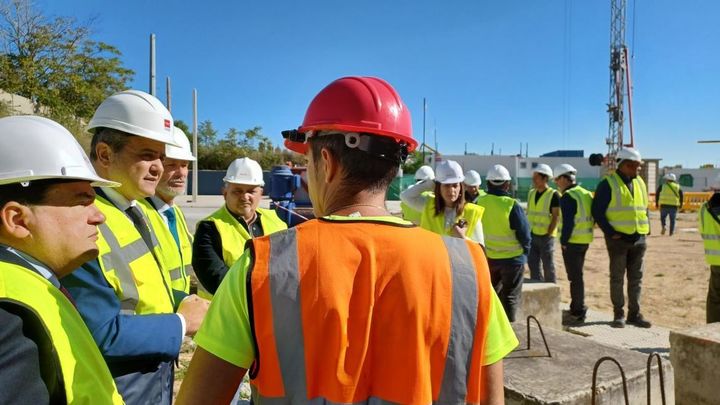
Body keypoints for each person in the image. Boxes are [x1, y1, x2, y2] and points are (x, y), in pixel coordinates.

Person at [177, 76, 518, 404]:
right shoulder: (468, 271)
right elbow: (491, 396)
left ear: (326, 163)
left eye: (307, 161)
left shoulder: (260, 267)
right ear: (394, 167)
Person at [60, 90, 210, 405]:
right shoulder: (81, 219)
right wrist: (182, 323)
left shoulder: (135, 210)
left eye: (161, 157)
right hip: (116, 385)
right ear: (104, 154)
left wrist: (188, 301)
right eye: (146, 155)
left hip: (150, 377)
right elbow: (98, 331)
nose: (159, 168)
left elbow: (143, 294)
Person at [0, 116, 124, 404]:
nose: (99, 216)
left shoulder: (30, 284)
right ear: (17, 220)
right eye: (82, 201)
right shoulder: (8, 314)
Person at [192, 157, 287, 299]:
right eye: (237, 191)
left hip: (269, 308)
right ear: (225, 194)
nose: (245, 197)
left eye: (251, 191)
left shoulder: (276, 222)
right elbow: (217, 278)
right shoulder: (209, 228)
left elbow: (288, 269)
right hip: (224, 311)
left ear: (261, 194)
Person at [591, 147, 652, 328]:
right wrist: (611, 233)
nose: (638, 169)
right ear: (624, 165)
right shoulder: (608, 184)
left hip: (639, 238)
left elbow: (644, 207)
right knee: (617, 278)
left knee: (636, 279)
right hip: (618, 240)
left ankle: (635, 314)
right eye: (635, 166)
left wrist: (646, 228)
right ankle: (619, 314)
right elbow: (597, 211)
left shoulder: (640, 183)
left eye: (639, 166)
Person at [139, 126, 196, 294]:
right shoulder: (136, 213)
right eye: (171, 165)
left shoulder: (175, 212)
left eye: (184, 165)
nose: (181, 173)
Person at [474, 164, 531, 323]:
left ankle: (492, 328)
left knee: (491, 296)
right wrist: (525, 254)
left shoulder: (479, 202)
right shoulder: (511, 205)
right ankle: (510, 330)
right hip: (513, 260)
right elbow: (525, 235)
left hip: (489, 259)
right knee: (510, 297)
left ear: (488, 183)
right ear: (507, 184)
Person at [401, 160, 485, 244]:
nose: (451, 190)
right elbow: (405, 196)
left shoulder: (472, 212)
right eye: (446, 185)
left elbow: (480, 249)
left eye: (455, 185)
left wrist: (463, 238)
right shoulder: (428, 206)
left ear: (460, 187)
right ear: (438, 187)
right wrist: (431, 183)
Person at [554, 164, 595, 326]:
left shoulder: (568, 196)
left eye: (557, 179)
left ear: (564, 178)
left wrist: (564, 241)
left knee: (575, 278)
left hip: (572, 242)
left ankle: (578, 311)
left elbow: (569, 223)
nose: (556, 183)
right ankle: (576, 308)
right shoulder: (585, 193)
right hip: (584, 240)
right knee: (577, 277)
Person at [526, 164, 560, 283]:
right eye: (533, 177)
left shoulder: (553, 194)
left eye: (536, 177)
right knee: (533, 264)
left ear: (545, 178)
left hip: (546, 236)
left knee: (548, 265)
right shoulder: (531, 193)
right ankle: (537, 285)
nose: (534, 180)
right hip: (532, 234)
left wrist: (549, 232)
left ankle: (551, 287)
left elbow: (556, 216)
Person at [700, 174, 720, 323]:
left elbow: (703, 231)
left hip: (715, 259)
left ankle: (712, 329)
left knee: (714, 297)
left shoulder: (704, 208)